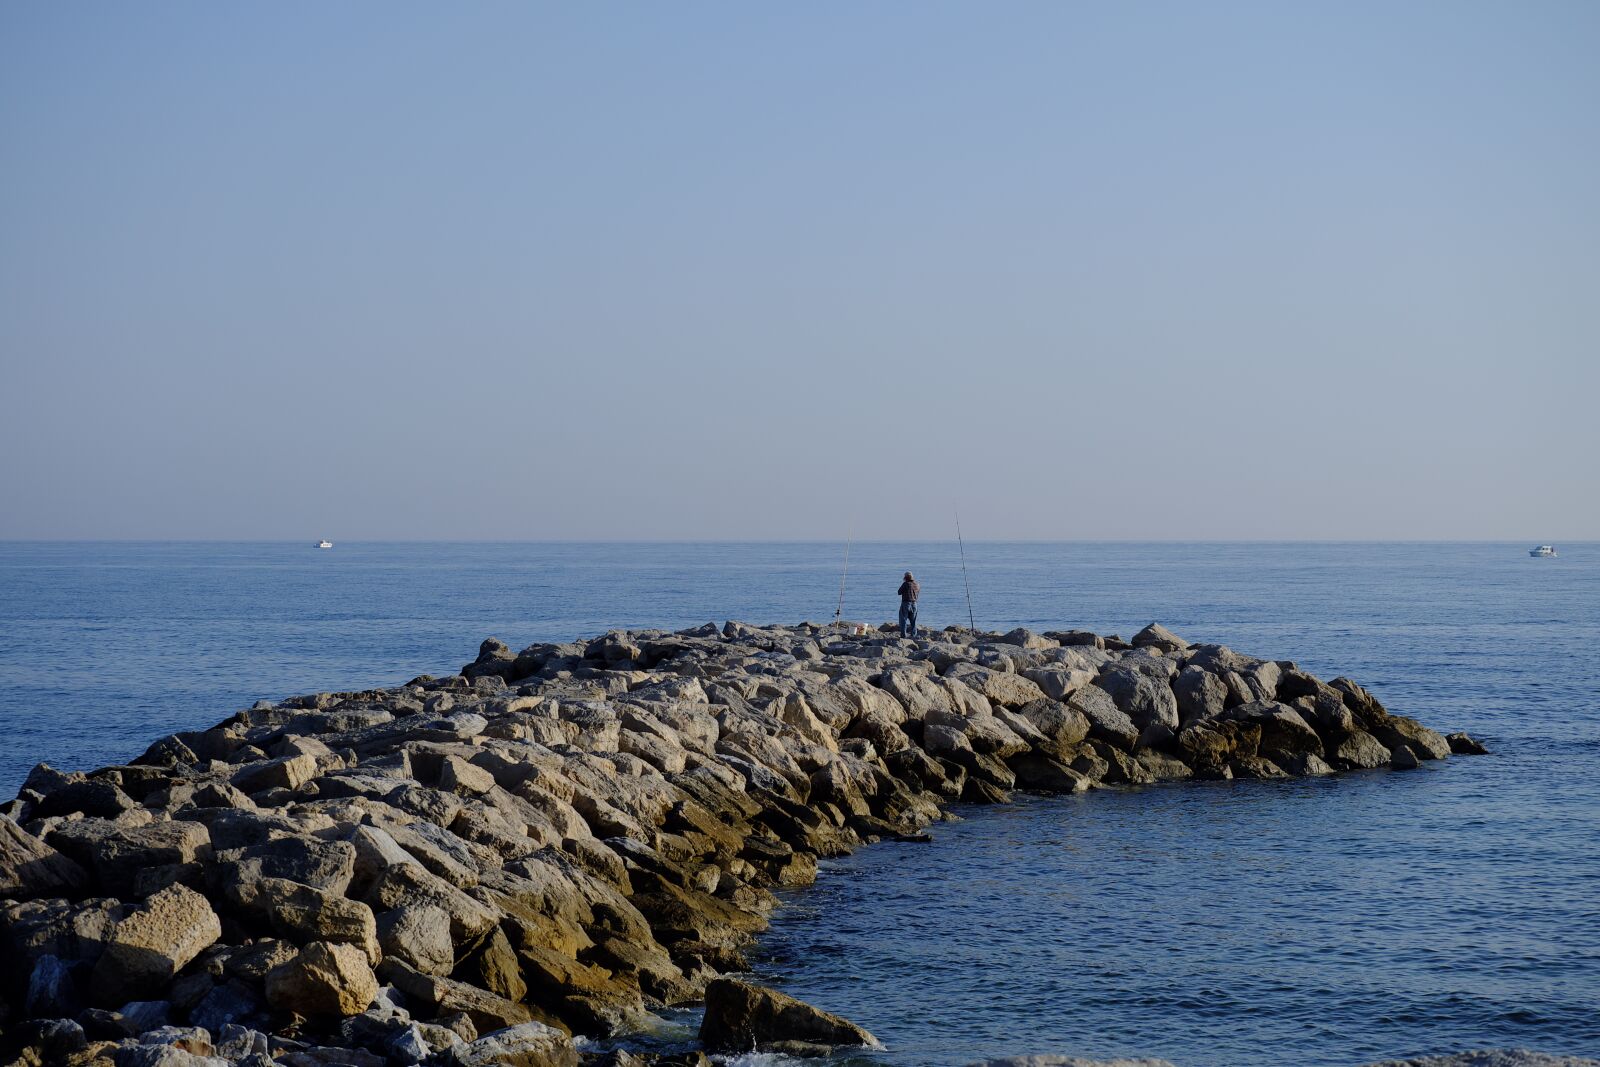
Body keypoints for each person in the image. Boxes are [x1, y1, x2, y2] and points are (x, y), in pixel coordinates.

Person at [897, 571, 920, 638]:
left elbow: (899, 592)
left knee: (903, 620)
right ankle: (914, 635)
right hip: (915, 604)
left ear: (906, 577)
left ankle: (903, 635)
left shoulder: (906, 584)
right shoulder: (917, 584)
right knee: (913, 621)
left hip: (906, 603)